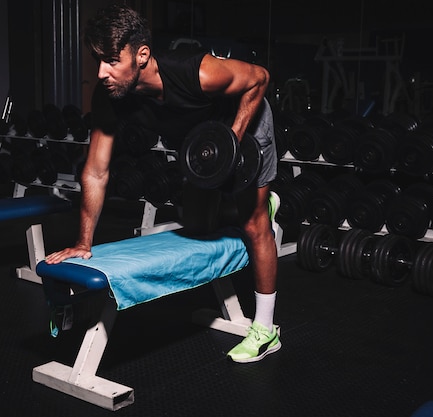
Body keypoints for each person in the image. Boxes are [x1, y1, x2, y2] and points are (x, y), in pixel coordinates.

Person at [45, 4, 280, 363]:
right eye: (98, 61)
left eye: (110, 61)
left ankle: (266, 330)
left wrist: (229, 144)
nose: (101, 72)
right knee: (200, 227)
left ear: (141, 55)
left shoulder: (198, 71)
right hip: (200, 138)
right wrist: (83, 242)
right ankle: (246, 204)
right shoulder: (110, 97)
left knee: (254, 223)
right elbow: (95, 171)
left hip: (245, 118)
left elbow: (260, 77)